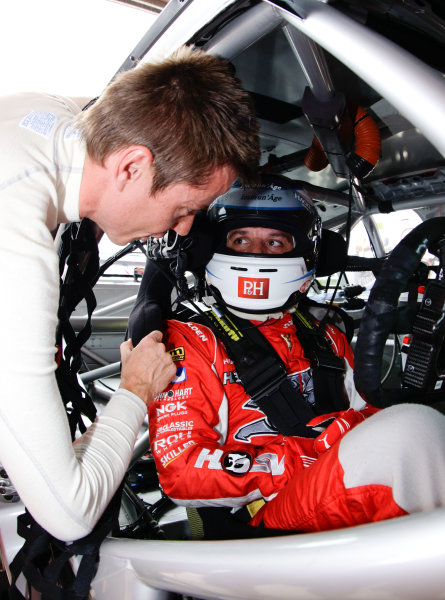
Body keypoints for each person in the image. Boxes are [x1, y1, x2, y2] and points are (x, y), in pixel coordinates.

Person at [0, 45, 260, 542]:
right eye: (186, 207)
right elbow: (70, 514)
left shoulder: (47, 111)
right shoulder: (14, 248)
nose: (184, 230)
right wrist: (137, 389)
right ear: (131, 167)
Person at [148, 176, 445, 537]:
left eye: (274, 242)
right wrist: (297, 458)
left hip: (332, 492)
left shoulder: (325, 334)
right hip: (263, 522)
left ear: (306, 253)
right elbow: (180, 472)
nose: (256, 254)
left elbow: (364, 415)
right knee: (408, 434)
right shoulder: (192, 340)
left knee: (414, 429)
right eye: (240, 240)